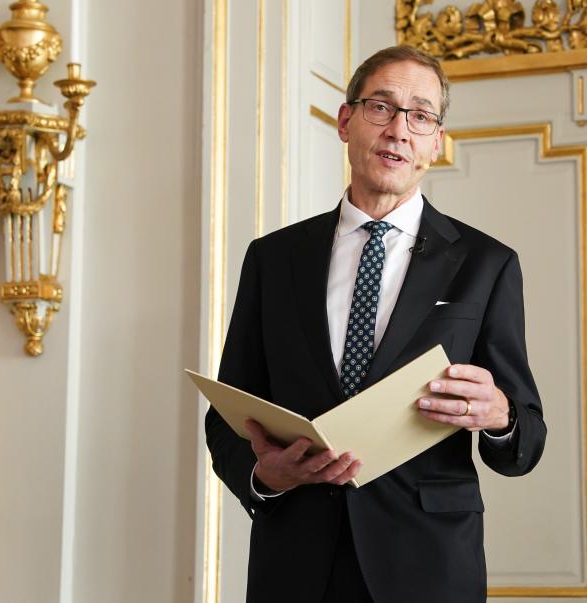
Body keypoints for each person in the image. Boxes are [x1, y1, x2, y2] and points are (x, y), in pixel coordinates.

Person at [205, 45, 545, 602]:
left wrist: (500, 416)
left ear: (436, 142)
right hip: (295, 562)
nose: (399, 130)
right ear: (346, 122)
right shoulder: (273, 258)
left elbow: (526, 438)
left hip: (428, 564)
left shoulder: (487, 264)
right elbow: (227, 417)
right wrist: (264, 477)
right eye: (381, 107)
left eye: (421, 116)